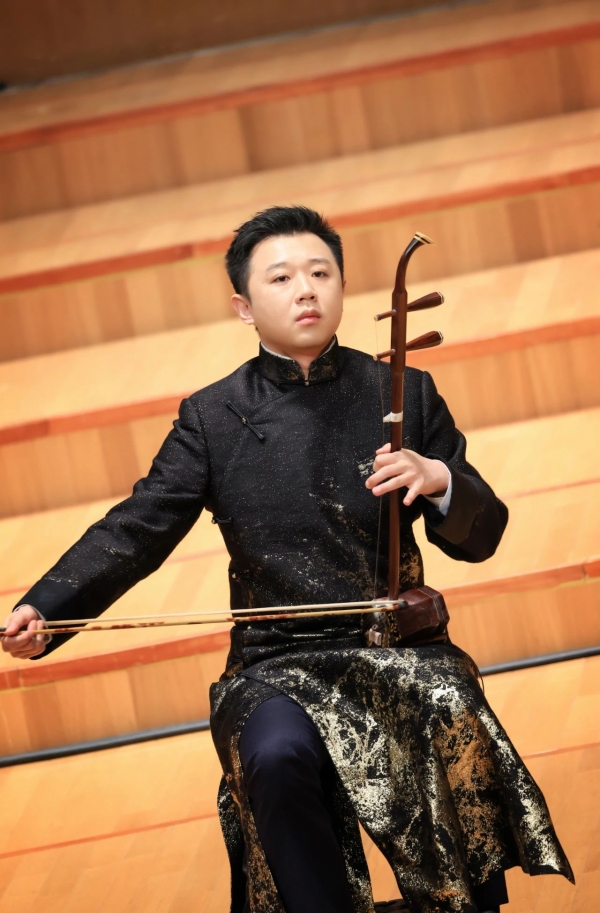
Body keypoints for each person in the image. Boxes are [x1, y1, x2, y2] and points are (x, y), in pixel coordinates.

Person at [3, 206, 572, 913]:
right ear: (243, 306)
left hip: (399, 648)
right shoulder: (213, 417)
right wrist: (46, 609)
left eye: (320, 273)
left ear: (342, 286)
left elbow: (481, 537)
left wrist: (440, 480)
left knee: (449, 704)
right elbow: (137, 529)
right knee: (274, 755)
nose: (306, 289)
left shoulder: (404, 391)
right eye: (281, 278)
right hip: (273, 662)